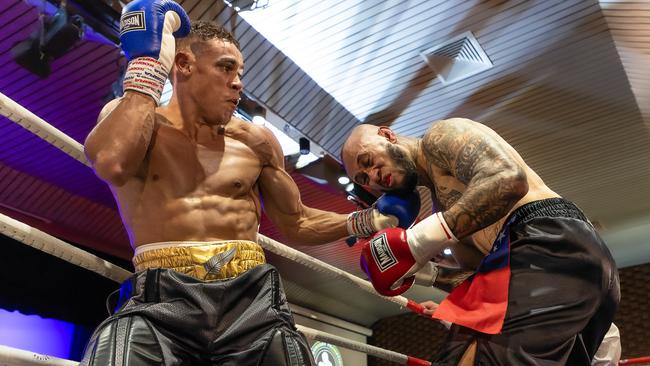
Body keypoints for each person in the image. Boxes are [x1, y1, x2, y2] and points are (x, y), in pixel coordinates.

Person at [80, 1, 417, 365]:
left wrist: (369, 222)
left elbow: (297, 220)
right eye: (226, 68)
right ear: (183, 64)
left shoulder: (256, 141)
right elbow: (112, 162)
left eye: (240, 71)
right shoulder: (135, 121)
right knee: (113, 352)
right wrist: (148, 66)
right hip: (162, 301)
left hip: (251, 301)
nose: (238, 82)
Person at [341, 121, 620, 365]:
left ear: (387, 135)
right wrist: (425, 273)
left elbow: (508, 177)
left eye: (367, 161)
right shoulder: (449, 214)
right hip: (574, 270)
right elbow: (480, 277)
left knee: (466, 353)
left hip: (550, 239)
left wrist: (417, 242)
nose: (374, 176)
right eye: (364, 179)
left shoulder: (439, 137)